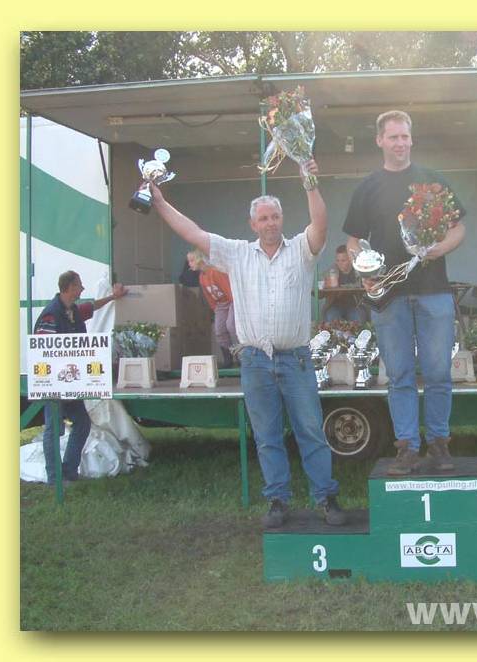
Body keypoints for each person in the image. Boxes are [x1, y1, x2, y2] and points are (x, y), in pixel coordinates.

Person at [148, 160, 346, 528]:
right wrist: (159, 202)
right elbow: (193, 233)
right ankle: (278, 501)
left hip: (296, 360)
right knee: (267, 436)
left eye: (275, 217)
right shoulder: (236, 253)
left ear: (282, 220)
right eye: (263, 218)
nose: (270, 223)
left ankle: (326, 498)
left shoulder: (302, 250)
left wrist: (310, 182)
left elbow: (320, 224)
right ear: (253, 224)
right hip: (255, 360)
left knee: (311, 432)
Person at [343, 110, 467, 475]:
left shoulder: (433, 181)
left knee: (438, 372)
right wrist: (364, 270)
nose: (400, 143)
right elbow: (353, 241)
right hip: (389, 296)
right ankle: (407, 449)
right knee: (398, 375)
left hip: (433, 291)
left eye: (404, 137)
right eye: (393, 137)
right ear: (380, 140)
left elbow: (459, 228)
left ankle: (439, 446)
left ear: (412, 139)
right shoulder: (368, 187)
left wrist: (440, 249)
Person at [34, 271, 128, 485]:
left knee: (83, 423)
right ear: (69, 287)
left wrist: (113, 297)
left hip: (72, 383)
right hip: (55, 385)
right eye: (79, 285)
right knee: (53, 429)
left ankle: (69, 471)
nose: (82, 288)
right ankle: (55, 477)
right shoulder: (51, 315)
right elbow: (43, 351)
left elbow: (91, 307)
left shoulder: (72, 311)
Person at [187, 249, 238, 368]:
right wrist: (215, 309)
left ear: (200, 259)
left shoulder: (215, 272)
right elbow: (209, 296)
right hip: (220, 304)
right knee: (219, 330)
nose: (189, 264)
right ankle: (228, 359)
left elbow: (229, 290)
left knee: (231, 325)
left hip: (231, 301)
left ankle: (242, 357)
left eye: (192, 260)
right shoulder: (202, 277)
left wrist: (235, 307)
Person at [321, 244, 368, 323]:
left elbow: (366, 287)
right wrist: (327, 285)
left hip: (355, 305)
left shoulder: (358, 271)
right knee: (332, 317)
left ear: (350, 259)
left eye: (343, 260)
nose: (339, 263)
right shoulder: (331, 270)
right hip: (335, 305)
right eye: (338, 260)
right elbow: (320, 291)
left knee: (358, 318)